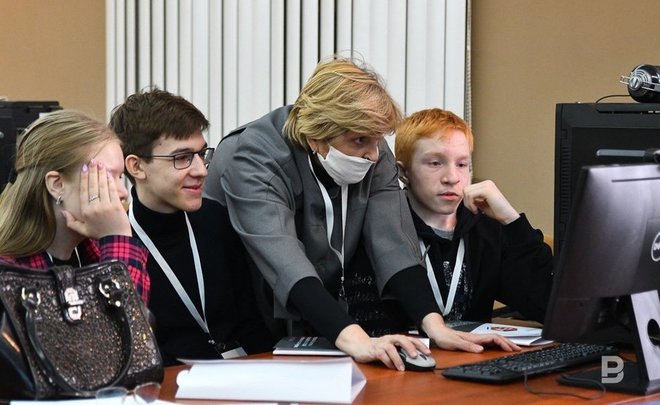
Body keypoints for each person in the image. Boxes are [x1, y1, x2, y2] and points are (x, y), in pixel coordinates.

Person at [205, 57, 517, 371]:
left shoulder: (372, 148)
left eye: (378, 140)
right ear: (316, 137)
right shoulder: (254, 156)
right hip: (243, 307)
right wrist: (358, 339)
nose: (374, 154)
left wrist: (435, 326)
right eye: (360, 141)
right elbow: (283, 259)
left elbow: (393, 241)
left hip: (316, 309)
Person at [109, 89, 275, 366]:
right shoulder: (120, 244)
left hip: (242, 372)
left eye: (201, 154)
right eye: (182, 157)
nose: (201, 170)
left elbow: (251, 323)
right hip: (170, 381)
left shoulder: (215, 220)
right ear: (136, 166)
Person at [393, 108, 554, 323]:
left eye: (462, 165)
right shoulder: (386, 228)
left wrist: (511, 221)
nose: (452, 178)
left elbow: (549, 307)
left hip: (472, 345)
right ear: (403, 172)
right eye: (435, 163)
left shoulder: (486, 230)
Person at [0, 110, 150, 302]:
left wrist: (115, 241)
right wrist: (118, 237)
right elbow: (121, 314)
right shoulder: (9, 274)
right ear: (57, 185)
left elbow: (137, 318)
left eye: (120, 177)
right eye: (106, 177)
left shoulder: (96, 254)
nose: (123, 192)